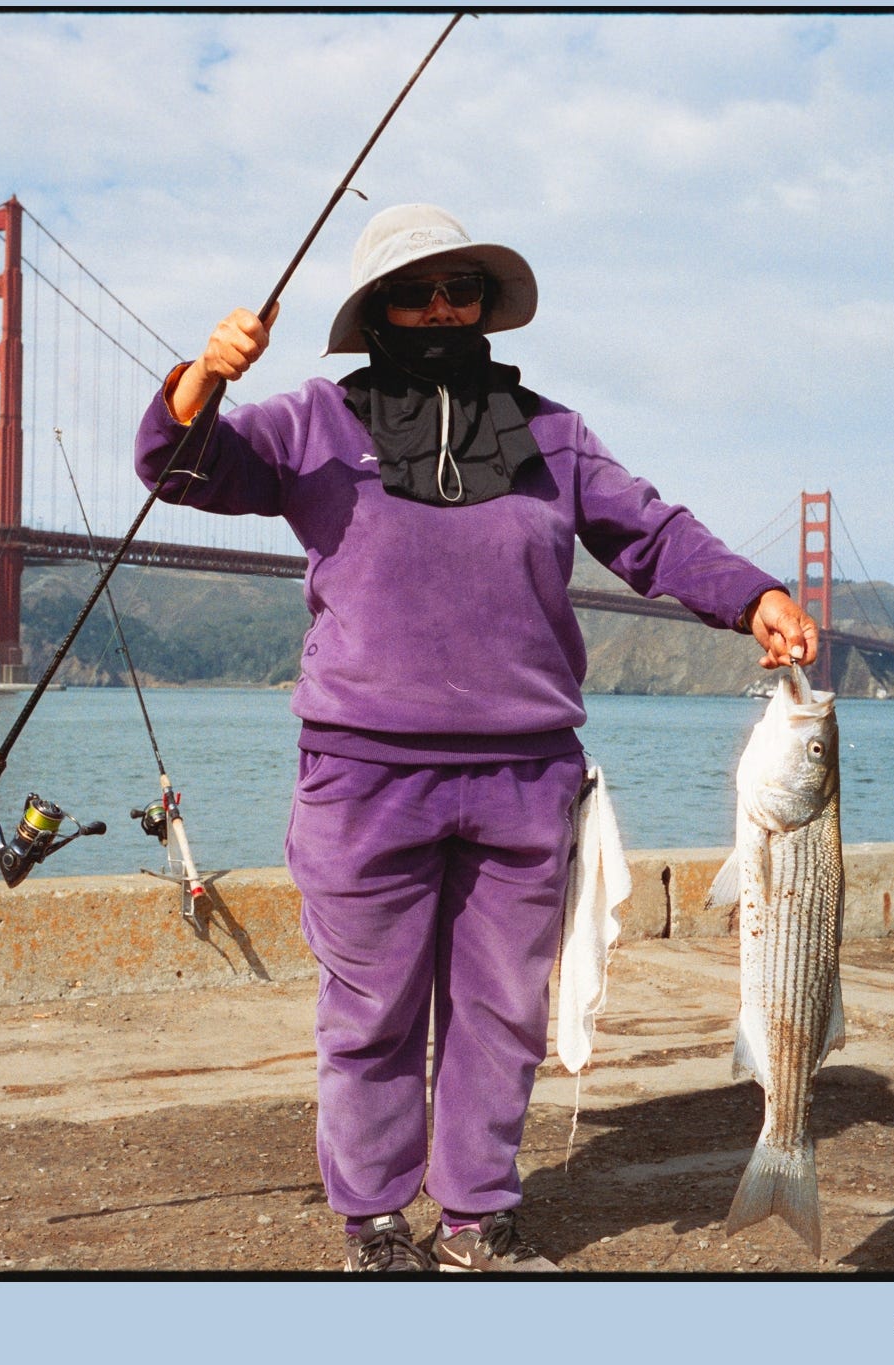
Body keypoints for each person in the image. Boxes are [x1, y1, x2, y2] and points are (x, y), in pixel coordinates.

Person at [135, 204, 818, 1273]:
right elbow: (182, 468)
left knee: (502, 1015)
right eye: (417, 292)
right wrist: (202, 377)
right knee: (371, 1015)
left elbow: (652, 533)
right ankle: (372, 1222)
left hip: (523, 773)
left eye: (461, 289)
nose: (442, 307)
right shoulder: (312, 420)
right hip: (365, 775)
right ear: (377, 313)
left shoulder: (554, 433)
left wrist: (754, 595)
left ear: (489, 308)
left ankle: (475, 1223)